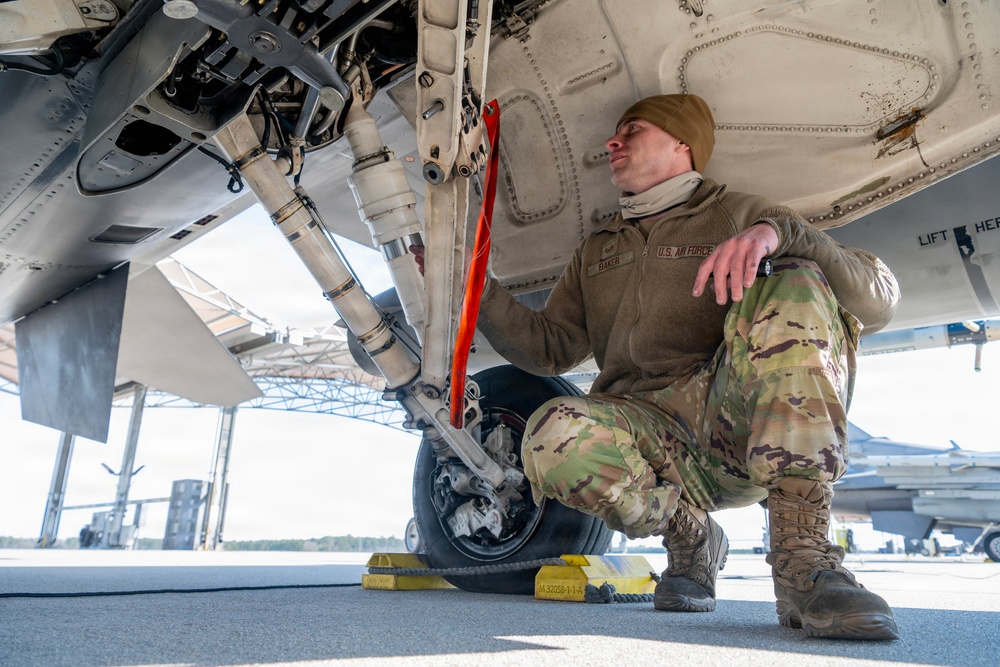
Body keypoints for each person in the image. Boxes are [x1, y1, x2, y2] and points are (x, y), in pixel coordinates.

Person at [415, 94, 900, 640]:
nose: (612, 142)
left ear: (682, 144)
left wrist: (780, 235)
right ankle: (690, 536)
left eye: (633, 130)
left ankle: (804, 561)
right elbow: (549, 351)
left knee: (796, 280)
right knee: (552, 434)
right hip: (648, 438)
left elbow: (879, 302)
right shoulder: (598, 248)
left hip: (735, 423)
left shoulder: (742, 215)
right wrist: (474, 285)